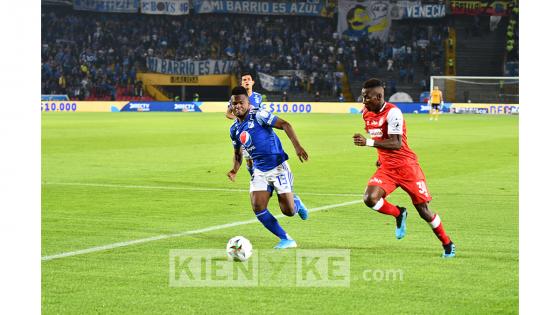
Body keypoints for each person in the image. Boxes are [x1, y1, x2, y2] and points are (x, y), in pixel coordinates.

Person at [352, 78, 455, 258]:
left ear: (378, 96)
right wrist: (380, 157)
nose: (364, 101)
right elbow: (380, 137)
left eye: (367, 97)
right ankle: (399, 213)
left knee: (424, 211)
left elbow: (396, 143)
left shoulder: (394, 113)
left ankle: (447, 243)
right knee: (370, 199)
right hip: (387, 169)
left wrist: (367, 142)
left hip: (407, 168)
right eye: (363, 97)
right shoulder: (366, 114)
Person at [227, 86, 309, 249]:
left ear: (247, 102)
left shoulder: (258, 115)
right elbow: (238, 153)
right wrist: (234, 169)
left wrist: (297, 147)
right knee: (258, 206)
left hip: (278, 166)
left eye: (240, 103)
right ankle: (286, 239)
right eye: (234, 103)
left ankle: (296, 203)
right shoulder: (234, 129)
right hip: (259, 171)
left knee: (288, 211)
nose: (237, 106)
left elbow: (285, 124)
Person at [226, 73, 264, 176]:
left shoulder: (258, 97)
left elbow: (261, 111)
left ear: (252, 82)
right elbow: (228, 113)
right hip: (243, 131)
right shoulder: (236, 98)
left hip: (256, 130)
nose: (246, 81)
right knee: (249, 160)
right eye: (244, 80)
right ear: (241, 83)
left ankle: (259, 176)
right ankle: (253, 175)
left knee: (259, 156)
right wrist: (239, 117)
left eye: (248, 79)